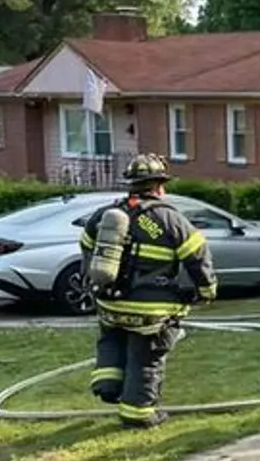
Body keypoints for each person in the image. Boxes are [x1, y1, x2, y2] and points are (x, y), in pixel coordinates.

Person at [78, 153, 217, 429]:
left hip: (110, 303)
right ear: (159, 186)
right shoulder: (170, 219)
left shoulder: (107, 215)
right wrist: (207, 290)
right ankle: (139, 414)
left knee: (112, 338)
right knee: (146, 357)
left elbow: (86, 247)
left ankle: (107, 384)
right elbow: (198, 258)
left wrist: (93, 284)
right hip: (150, 311)